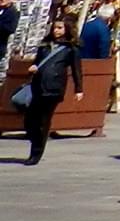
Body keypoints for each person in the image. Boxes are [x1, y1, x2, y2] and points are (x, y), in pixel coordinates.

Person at [18, 14, 86, 165]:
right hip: (38, 85)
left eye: (60, 28)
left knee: (43, 120)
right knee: (30, 120)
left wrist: (78, 89)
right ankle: (35, 140)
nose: (56, 31)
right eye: (55, 27)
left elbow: (77, 70)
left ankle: (36, 153)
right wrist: (33, 68)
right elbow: (37, 62)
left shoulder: (71, 48)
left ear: (67, 29)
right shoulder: (45, 45)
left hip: (54, 88)